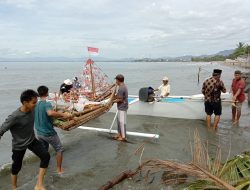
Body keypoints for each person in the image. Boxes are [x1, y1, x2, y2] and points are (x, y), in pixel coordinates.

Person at [0, 89, 50, 190]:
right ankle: (14, 187)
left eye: (36, 102)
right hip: (19, 145)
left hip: (31, 140)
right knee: (16, 168)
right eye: (33, 102)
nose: (35, 104)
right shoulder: (14, 117)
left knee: (46, 156)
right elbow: (1, 130)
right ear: (25, 102)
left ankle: (39, 184)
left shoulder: (32, 109)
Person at [35, 86, 73, 174]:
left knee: (44, 151)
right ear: (47, 93)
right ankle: (59, 169)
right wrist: (63, 115)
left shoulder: (36, 104)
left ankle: (44, 167)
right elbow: (50, 113)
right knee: (59, 149)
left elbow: (43, 114)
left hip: (39, 133)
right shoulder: (46, 103)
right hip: (48, 133)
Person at [113, 74, 128, 141]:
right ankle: (119, 134)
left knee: (122, 122)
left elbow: (120, 99)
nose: (116, 81)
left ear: (118, 80)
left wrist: (112, 101)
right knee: (119, 121)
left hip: (122, 107)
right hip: (122, 106)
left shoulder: (121, 88)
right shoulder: (123, 86)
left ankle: (123, 137)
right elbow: (119, 96)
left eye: (116, 80)